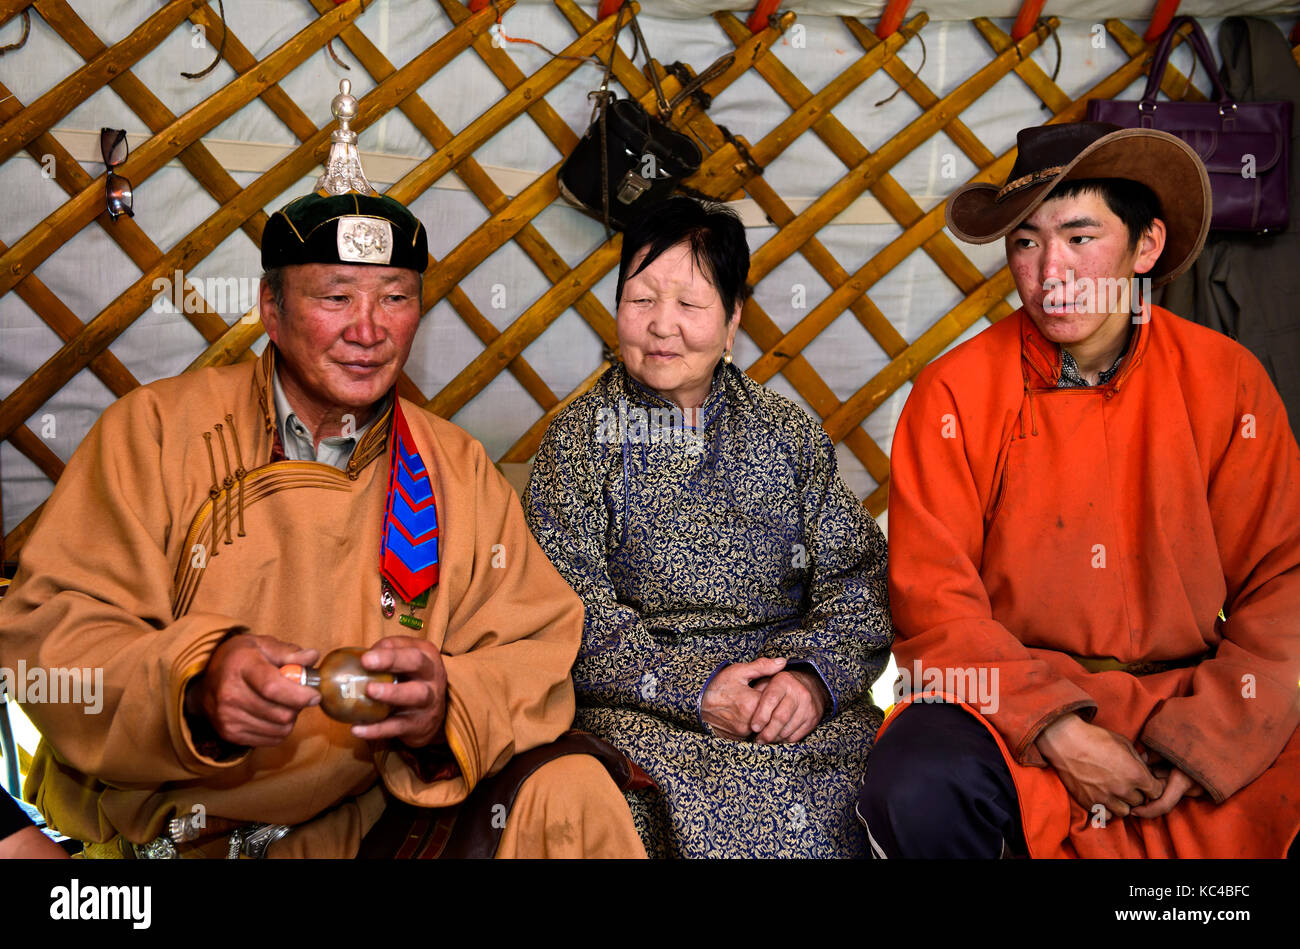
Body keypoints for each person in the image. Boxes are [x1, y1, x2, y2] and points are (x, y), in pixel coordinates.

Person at [0, 81, 645, 859]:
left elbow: (535, 647)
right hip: (188, 831)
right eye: (335, 296)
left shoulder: (452, 467)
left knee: (568, 789)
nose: (369, 330)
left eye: (396, 298)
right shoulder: (155, 433)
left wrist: (448, 701)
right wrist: (199, 685)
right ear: (270, 311)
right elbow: (56, 635)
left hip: (372, 819)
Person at [858, 122, 1300, 858]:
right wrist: (1056, 729)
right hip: (1009, 701)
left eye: (1080, 237)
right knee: (916, 780)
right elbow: (935, 600)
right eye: (1026, 243)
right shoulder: (956, 392)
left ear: (1146, 246)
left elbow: (1283, 581)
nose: (1050, 271)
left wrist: (1207, 740)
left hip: (1193, 696)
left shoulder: (1225, 381)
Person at [524, 196, 893, 858]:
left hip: (790, 713)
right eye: (641, 300)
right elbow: (562, 615)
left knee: (892, 781)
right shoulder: (578, 441)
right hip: (641, 713)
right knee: (618, 805)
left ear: (731, 322)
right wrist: (697, 689)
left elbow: (858, 581)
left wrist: (809, 680)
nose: (663, 326)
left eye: (690, 306)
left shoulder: (787, 433)